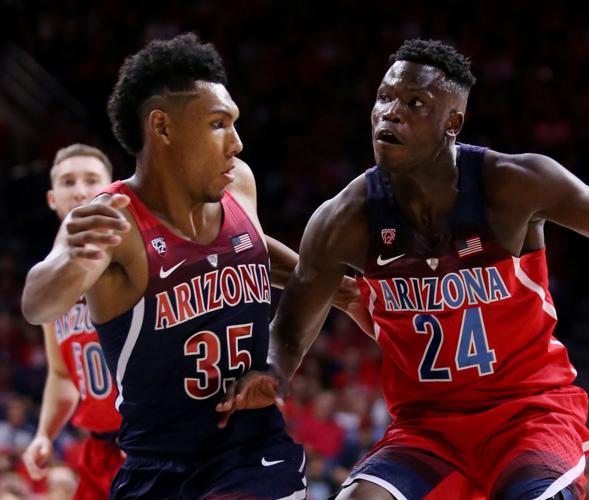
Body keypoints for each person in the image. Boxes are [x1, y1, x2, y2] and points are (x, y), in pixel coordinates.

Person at [220, 39, 589, 499]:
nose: (390, 113)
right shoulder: (345, 219)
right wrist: (271, 371)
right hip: (426, 428)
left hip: (528, 415)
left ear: (453, 121)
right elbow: (289, 330)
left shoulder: (512, 186)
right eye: (383, 98)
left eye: (414, 102)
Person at [21, 33, 366, 499]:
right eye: (218, 124)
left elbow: (248, 245)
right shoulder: (112, 221)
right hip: (154, 463)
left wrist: (327, 283)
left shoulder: (239, 184)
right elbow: (38, 302)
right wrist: (72, 263)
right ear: (162, 126)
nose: (237, 143)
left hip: (252, 451)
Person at [21, 144, 123, 499]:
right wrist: (45, 434)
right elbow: (63, 375)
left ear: (113, 189)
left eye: (92, 180)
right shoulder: (47, 283)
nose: (80, 190)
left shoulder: (133, 254)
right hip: (100, 448)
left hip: (151, 442)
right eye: (68, 181)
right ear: (52, 198)